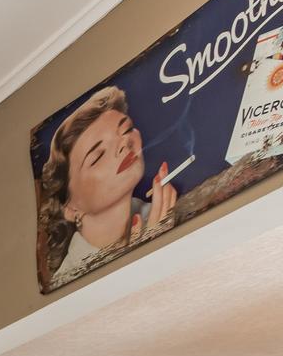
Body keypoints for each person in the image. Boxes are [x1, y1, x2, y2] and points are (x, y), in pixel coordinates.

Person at [37, 86, 178, 286]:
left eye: (126, 130)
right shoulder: (67, 282)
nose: (124, 144)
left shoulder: (170, 211)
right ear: (70, 207)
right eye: (97, 156)